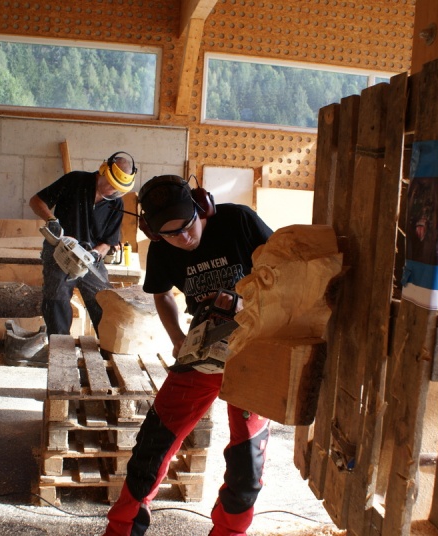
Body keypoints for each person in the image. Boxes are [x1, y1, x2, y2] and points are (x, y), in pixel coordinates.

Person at [103, 175, 274, 536]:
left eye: (187, 226)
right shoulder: (162, 249)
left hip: (253, 347)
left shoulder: (239, 221)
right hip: (203, 344)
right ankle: (122, 529)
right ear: (153, 232)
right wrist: (177, 337)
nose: (183, 238)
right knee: (154, 442)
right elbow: (162, 293)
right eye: (171, 234)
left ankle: (229, 532)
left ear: (202, 206)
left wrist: (250, 303)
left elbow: (284, 268)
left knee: (248, 458)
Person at [29, 151, 136, 338]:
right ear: (103, 170)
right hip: (60, 252)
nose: (112, 190)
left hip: (89, 258)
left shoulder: (116, 203)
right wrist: (51, 219)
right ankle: (59, 343)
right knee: (56, 298)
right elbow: (36, 201)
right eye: (110, 184)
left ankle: (108, 344)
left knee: (104, 300)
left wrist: (95, 254)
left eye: (117, 188)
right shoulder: (75, 181)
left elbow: (108, 242)